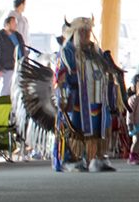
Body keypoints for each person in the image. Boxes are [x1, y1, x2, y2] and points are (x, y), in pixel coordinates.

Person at [50, 18, 121, 173]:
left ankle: (98, 158)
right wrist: (62, 99)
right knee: (76, 129)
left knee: (100, 127)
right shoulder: (67, 52)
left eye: (88, 30)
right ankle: (74, 160)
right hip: (75, 99)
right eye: (81, 30)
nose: (85, 33)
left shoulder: (96, 50)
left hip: (98, 98)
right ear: (74, 33)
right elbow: (60, 78)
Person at [0, 16, 22, 96]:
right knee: (4, 91)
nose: (15, 25)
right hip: (5, 68)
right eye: (13, 23)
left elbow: (22, 50)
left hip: (17, 68)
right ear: (7, 25)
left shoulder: (17, 36)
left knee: (16, 91)